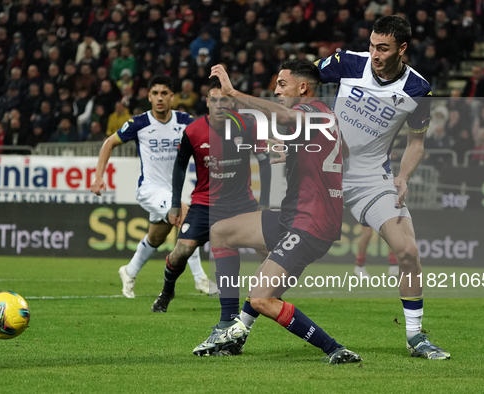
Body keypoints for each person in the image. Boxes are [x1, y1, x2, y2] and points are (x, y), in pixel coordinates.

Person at [189, 60, 361, 364]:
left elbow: (283, 114)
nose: (277, 90)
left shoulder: (308, 112)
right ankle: (230, 328)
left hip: (309, 222)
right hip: (295, 216)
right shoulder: (325, 115)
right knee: (221, 232)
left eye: (282, 84)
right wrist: (296, 148)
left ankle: (335, 349)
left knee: (261, 297)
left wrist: (232, 92)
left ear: (303, 88)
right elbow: (342, 150)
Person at [312, 15, 449, 359]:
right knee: (282, 251)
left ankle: (415, 337)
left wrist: (402, 177)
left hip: (372, 180)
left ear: (402, 49)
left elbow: (416, 143)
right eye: (372, 45)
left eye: (383, 48)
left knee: (408, 251)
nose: (374, 53)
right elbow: (300, 79)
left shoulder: (418, 89)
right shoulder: (348, 62)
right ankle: (239, 325)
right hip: (323, 172)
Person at [150, 76, 272, 313]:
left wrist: (264, 202)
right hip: (204, 205)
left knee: (268, 250)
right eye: (215, 100)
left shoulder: (247, 126)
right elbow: (179, 167)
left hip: (241, 204)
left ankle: (269, 296)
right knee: (181, 252)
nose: (220, 105)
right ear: (207, 102)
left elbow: (264, 161)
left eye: (224, 100)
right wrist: (176, 204)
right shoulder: (193, 131)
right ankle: (166, 293)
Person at [90, 75, 211, 298]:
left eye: (164, 93)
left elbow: (209, 137)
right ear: (149, 96)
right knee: (187, 218)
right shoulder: (140, 123)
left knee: (155, 237)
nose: (159, 98)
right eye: (155, 93)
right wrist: (98, 177)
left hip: (172, 191)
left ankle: (129, 270)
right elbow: (109, 143)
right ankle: (200, 279)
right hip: (150, 189)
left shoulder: (185, 121)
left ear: (172, 97)